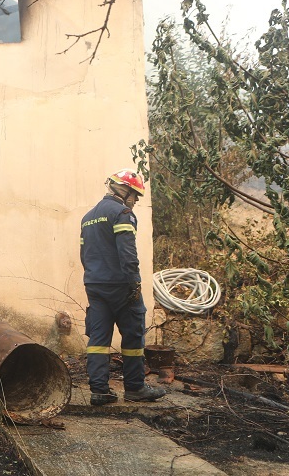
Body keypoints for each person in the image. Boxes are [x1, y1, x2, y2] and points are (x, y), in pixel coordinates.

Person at [79, 170, 167, 405]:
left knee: (98, 338)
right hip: (120, 285)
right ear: (124, 190)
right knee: (133, 336)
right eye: (134, 194)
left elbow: (84, 255)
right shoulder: (122, 214)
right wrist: (134, 283)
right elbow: (128, 254)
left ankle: (99, 391)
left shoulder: (87, 218)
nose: (135, 200)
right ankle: (135, 388)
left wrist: (94, 277)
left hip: (95, 284)